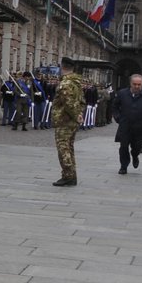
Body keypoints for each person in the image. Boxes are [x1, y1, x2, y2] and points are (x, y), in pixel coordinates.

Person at [51, 57, 86, 187]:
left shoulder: (65, 84)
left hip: (64, 120)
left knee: (63, 148)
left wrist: (77, 115)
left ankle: (68, 175)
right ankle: (72, 175)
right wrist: (80, 113)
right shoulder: (77, 82)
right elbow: (82, 101)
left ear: (62, 67)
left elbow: (68, 103)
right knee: (69, 148)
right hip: (71, 121)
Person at [111, 73, 142, 175]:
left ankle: (135, 156)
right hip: (125, 126)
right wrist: (118, 118)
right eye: (134, 84)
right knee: (123, 146)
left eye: (139, 84)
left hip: (139, 127)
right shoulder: (122, 94)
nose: (137, 86)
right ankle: (123, 166)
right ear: (130, 83)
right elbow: (115, 107)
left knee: (137, 147)